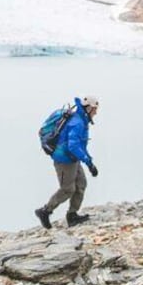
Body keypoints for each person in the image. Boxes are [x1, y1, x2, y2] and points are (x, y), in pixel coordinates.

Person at [34, 96, 99, 229]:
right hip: (64, 160)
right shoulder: (77, 123)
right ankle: (45, 211)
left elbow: (80, 145)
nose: (96, 113)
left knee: (81, 185)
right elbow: (74, 146)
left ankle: (72, 215)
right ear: (88, 108)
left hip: (72, 158)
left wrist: (89, 161)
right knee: (68, 189)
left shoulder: (81, 120)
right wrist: (88, 162)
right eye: (94, 109)